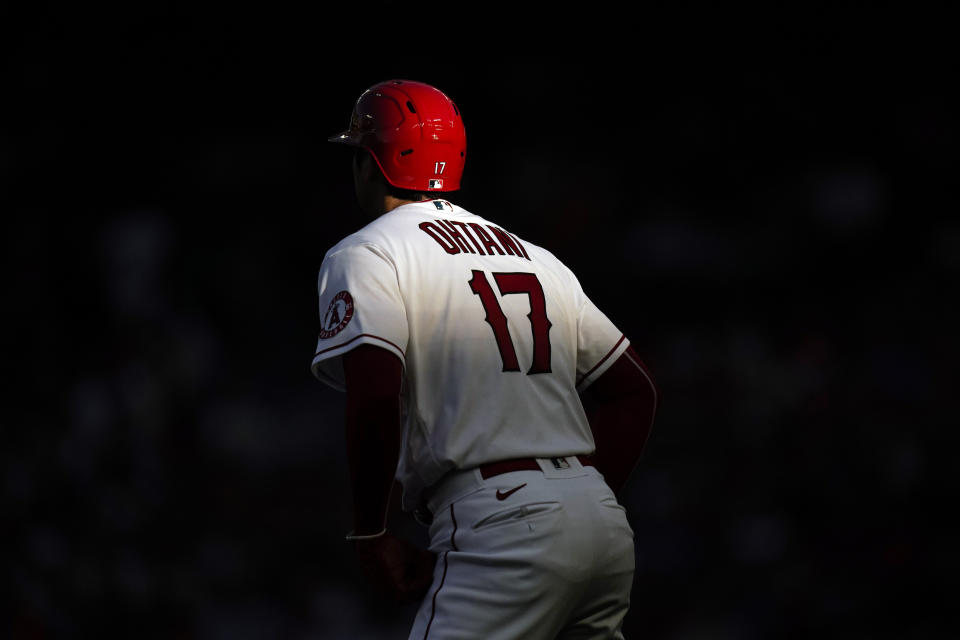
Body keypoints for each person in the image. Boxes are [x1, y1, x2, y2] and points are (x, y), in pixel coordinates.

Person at [311, 79, 659, 639]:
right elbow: (634, 390)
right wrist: (578, 501)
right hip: (601, 527)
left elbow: (375, 389)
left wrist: (370, 532)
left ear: (371, 162)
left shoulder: (369, 250)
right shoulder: (536, 256)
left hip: (499, 520)